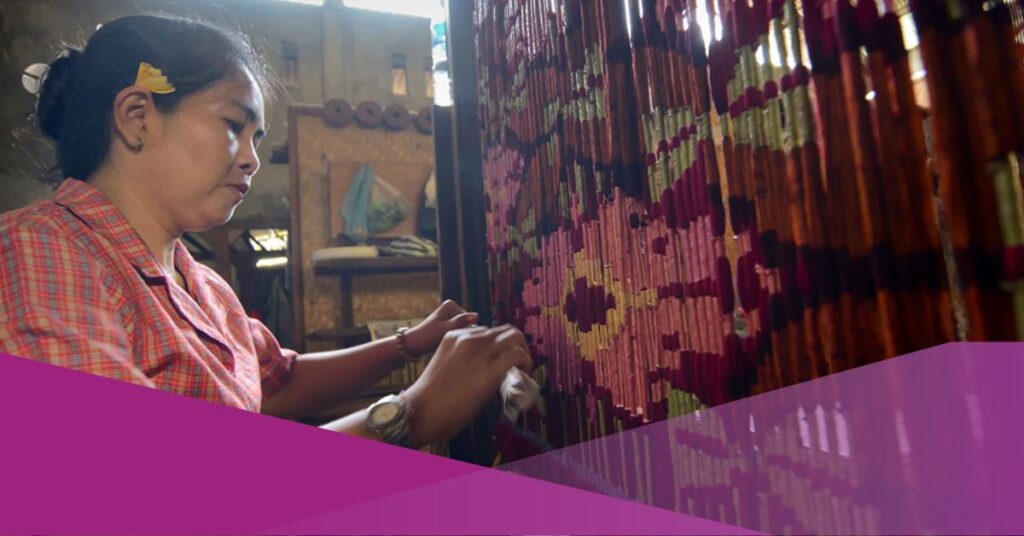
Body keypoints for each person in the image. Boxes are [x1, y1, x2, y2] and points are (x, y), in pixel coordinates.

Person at [0, 14, 532, 449]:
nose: (253, 160)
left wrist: (409, 344)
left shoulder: (200, 285)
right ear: (137, 116)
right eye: (234, 126)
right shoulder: (40, 253)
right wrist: (409, 413)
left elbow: (277, 382)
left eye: (258, 137)